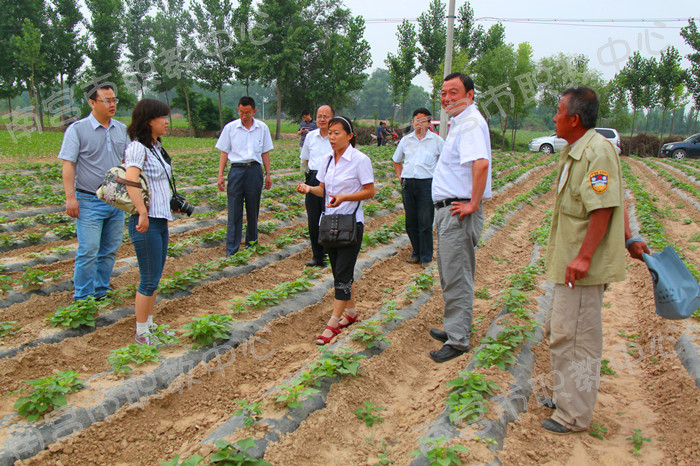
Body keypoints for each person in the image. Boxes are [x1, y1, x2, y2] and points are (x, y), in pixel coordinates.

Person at [540, 87, 649, 434]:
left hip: (580, 267)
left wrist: (585, 256)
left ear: (574, 118)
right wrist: (629, 236)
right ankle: (564, 397)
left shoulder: (596, 152)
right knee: (560, 333)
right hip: (567, 260)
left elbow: (603, 209)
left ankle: (573, 415)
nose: (554, 118)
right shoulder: (578, 150)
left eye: (558, 112)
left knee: (577, 339)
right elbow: (616, 200)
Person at [428, 72, 492, 363]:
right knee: (449, 273)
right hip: (448, 210)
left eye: (453, 92)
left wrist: (472, 203)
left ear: (471, 94)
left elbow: (480, 164)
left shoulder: (470, 123)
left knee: (457, 276)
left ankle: (458, 340)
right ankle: (455, 326)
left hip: (458, 210)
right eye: (443, 93)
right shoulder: (460, 122)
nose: (447, 98)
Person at [296, 116, 374, 345]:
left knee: (342, 273)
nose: (331, 137)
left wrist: (345, 198)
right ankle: (350, 313)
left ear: (350, 136)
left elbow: (370, 191)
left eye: (337, 133)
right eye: (330, 132)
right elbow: (323, 190)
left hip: (351, 224)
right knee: (339, 271)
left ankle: (332, 324)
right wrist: (309, 189)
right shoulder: (327, 159)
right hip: (329, 223)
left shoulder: (360, 160)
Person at [58, 83, 128, 301]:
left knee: (109, 249)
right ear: (91, 103)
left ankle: (100, 291)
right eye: (106, 100)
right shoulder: (78, 130)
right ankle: (83, 296)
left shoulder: (121, 129)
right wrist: (70, 198)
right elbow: (68, 164)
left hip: (116, 199)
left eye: (114, 100)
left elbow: (127, 162)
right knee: (88, 250)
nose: (112, 104)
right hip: (88, 198)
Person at [124, 99, 180, 345]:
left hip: (160, 220)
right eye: (162, 117)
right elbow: (131, 181)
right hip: (145, 221)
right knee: (148, 279)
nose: (166, 121)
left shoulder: (156, 147)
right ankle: (141, 332)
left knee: (155, 277)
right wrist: (142, 212)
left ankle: (149, 325)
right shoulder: (137, 148)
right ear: (149, 120)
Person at [216, 96, 274, 256]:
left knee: (253, 210)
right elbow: (224, 152)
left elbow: (265, 152)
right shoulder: (230, 128)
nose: (244, 116)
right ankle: (232, 250)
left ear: (254, 111)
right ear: (238, 110)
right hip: (236, 171)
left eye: (247, 113)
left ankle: (251, 245)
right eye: (241, 112)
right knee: (234, 211)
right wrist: (220, 175)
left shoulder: (262, 128)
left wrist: (268, 174)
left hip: (254, 171)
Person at [393, 107, 444, 266]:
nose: (420, 124)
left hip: (427, 184)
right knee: (411, 222)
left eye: (423, 121)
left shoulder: (436, 141)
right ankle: (416, 252)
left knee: (425, 222)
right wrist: (400, 177)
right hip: (408, 184)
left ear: (429, 123)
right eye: (417, 120)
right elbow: (397, 160)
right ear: (412, 122)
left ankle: (426, 257)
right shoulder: (406, 140)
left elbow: (445, 162)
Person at [300, 104, 334, 267]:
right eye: (319, 116)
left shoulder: (336, 136)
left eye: (326, 116)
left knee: (330, 217)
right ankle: (317, 256)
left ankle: (330, 255)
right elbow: (305, 159)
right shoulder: (310, 137)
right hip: (313, 177)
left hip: (332, 179)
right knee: (313, 218)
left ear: (332, 118)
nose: (322, 119)